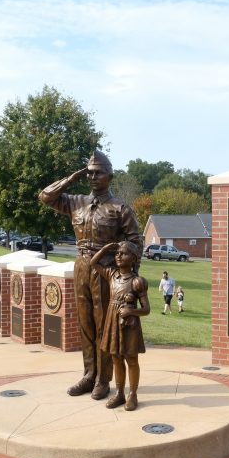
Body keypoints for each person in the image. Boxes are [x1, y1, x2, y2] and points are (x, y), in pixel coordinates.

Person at [39, 151, 142, 400]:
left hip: (106, 271)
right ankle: (89, 375)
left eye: (98, 172)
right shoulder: (76, 202)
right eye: (89, 173)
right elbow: (45, 196)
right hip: (82, 267)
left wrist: (125, 281)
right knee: (85, 324)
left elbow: (135, 243)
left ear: (110, 176)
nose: (93, 177)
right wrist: (72, 177)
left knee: (103, 326)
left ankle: (104, 380)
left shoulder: (119, 208)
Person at [91, 241, 149, 411]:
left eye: (123, 253)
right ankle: (119, 394)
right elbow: (93, 263)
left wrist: (131, 312)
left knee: (131, 358)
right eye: (117, 253)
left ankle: (133, 394)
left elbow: (146, 310)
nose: (118, 256)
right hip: (113, 321)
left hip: (129, 325)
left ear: (133, 258)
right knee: (116, 358)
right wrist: (104, 249)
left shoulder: (137, 282)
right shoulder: (111, 275)